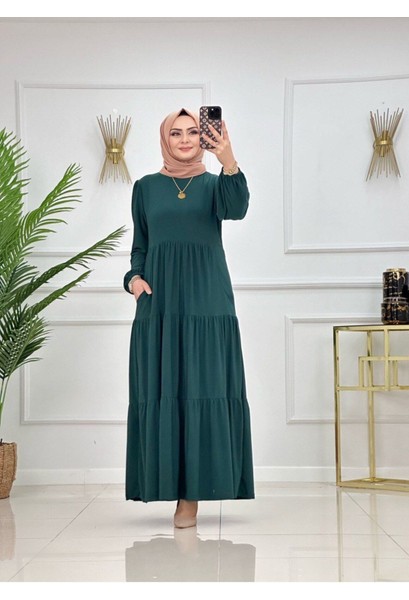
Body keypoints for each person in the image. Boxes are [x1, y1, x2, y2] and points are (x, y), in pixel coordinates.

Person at [123, 108, 255, 528]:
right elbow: (140, 245)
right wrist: (133, 279)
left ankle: (192, 496)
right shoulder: (145, 187)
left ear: (204, 137)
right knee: (165, 388)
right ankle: (168, 483)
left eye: (193, 131)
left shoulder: (216, 185)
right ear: (165, 139)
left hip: (207, 300)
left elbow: (238, 209)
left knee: (204, 386)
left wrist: (227, 158)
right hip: (160, 302)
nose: (184, 139)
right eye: (176, 133)